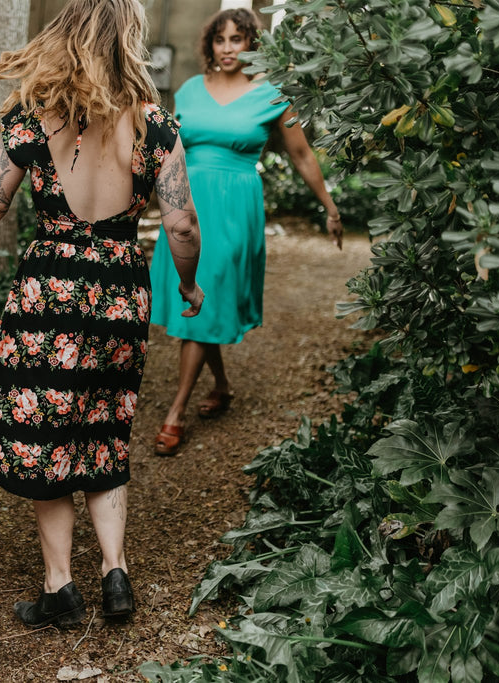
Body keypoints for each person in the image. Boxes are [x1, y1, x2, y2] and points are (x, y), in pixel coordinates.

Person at [0, 0, 203, 628]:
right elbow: (181, 224)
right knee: (104, 422)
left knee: (46, 431)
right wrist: (187, 286)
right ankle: (115, 575)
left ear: (64, 39)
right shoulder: (156, 125)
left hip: (51, 292)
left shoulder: (36, 119)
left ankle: (61, 589)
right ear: (127, 41)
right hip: (119, 290)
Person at [150, 7, 343, 456]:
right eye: (221, 40)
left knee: (208, 291)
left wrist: (330, 208)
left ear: (253, 43)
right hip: (187, 205)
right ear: (210, 45)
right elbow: (167, 153)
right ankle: (220, 385)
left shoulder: (272, 93)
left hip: (234, 208)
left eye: (238, 39)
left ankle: (175, 414)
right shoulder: (191, 90)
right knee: (198, 301)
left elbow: (302, 156)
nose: (228, 48)